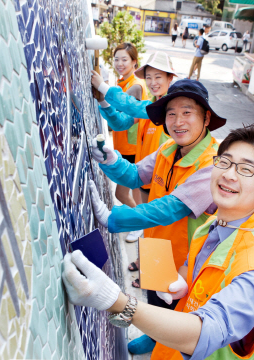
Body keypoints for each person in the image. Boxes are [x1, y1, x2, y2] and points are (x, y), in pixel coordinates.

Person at [62, 123, 254, 359]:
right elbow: (193, 268)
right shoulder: (211, 226)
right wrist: (185, 282)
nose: (229, 174)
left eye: (246, 169)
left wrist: (115, 301)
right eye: (225, 162)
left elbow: (204, 333)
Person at [88, 80, 226, 316]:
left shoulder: (212, 164)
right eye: (171, 113)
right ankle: (152, 339)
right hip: (156, 243)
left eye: (187, 112)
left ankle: (160, 345)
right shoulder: (169, 148)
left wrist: (114, 217)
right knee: (154, 300)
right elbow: (134, 175)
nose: (178, 121)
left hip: (185, 260)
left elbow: (171, 208)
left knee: (176, 314)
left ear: (206, 118)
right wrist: (111, 161)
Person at [92, 51, 176, 283]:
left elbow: (132, 106)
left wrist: (106, 88)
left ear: (170, 79)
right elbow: (119, 123)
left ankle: (153, 277)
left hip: (163, 182)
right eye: (149, 77)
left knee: (158, 228)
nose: (153, 82)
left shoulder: (167, 109)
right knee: (150, 226)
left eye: (159, 77)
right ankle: (145, 263)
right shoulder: (149, 107)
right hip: (145, 178)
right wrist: (102, 101)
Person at [107, 43, 147, 236]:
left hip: (131, 148)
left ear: (134, 62)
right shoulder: (124, 82)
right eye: (116, 59)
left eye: (124, 60)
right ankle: (142, 224)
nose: (119, 63)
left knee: (121, 193)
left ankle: (139, 225)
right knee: (137, 193)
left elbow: (119, 119)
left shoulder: (135, 87)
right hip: (129, 146)